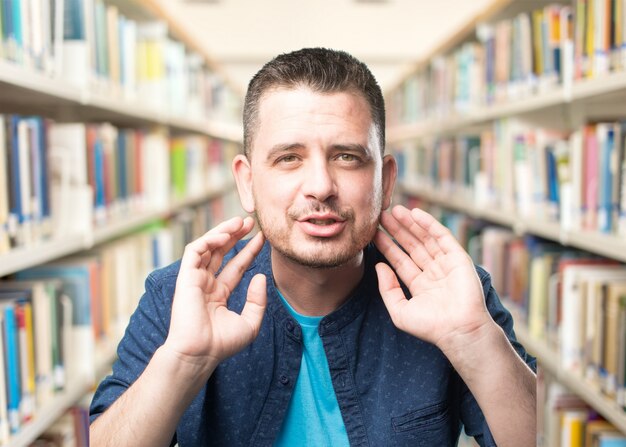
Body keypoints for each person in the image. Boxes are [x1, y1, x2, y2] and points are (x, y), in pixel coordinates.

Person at [89, 48, 536, 446]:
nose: (320, 186)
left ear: (384, 182)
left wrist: (476, 342)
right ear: (247, 181)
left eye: (347, 156)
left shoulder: (453, 296)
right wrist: (183, 361)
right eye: (289, 158)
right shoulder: (177, 297)